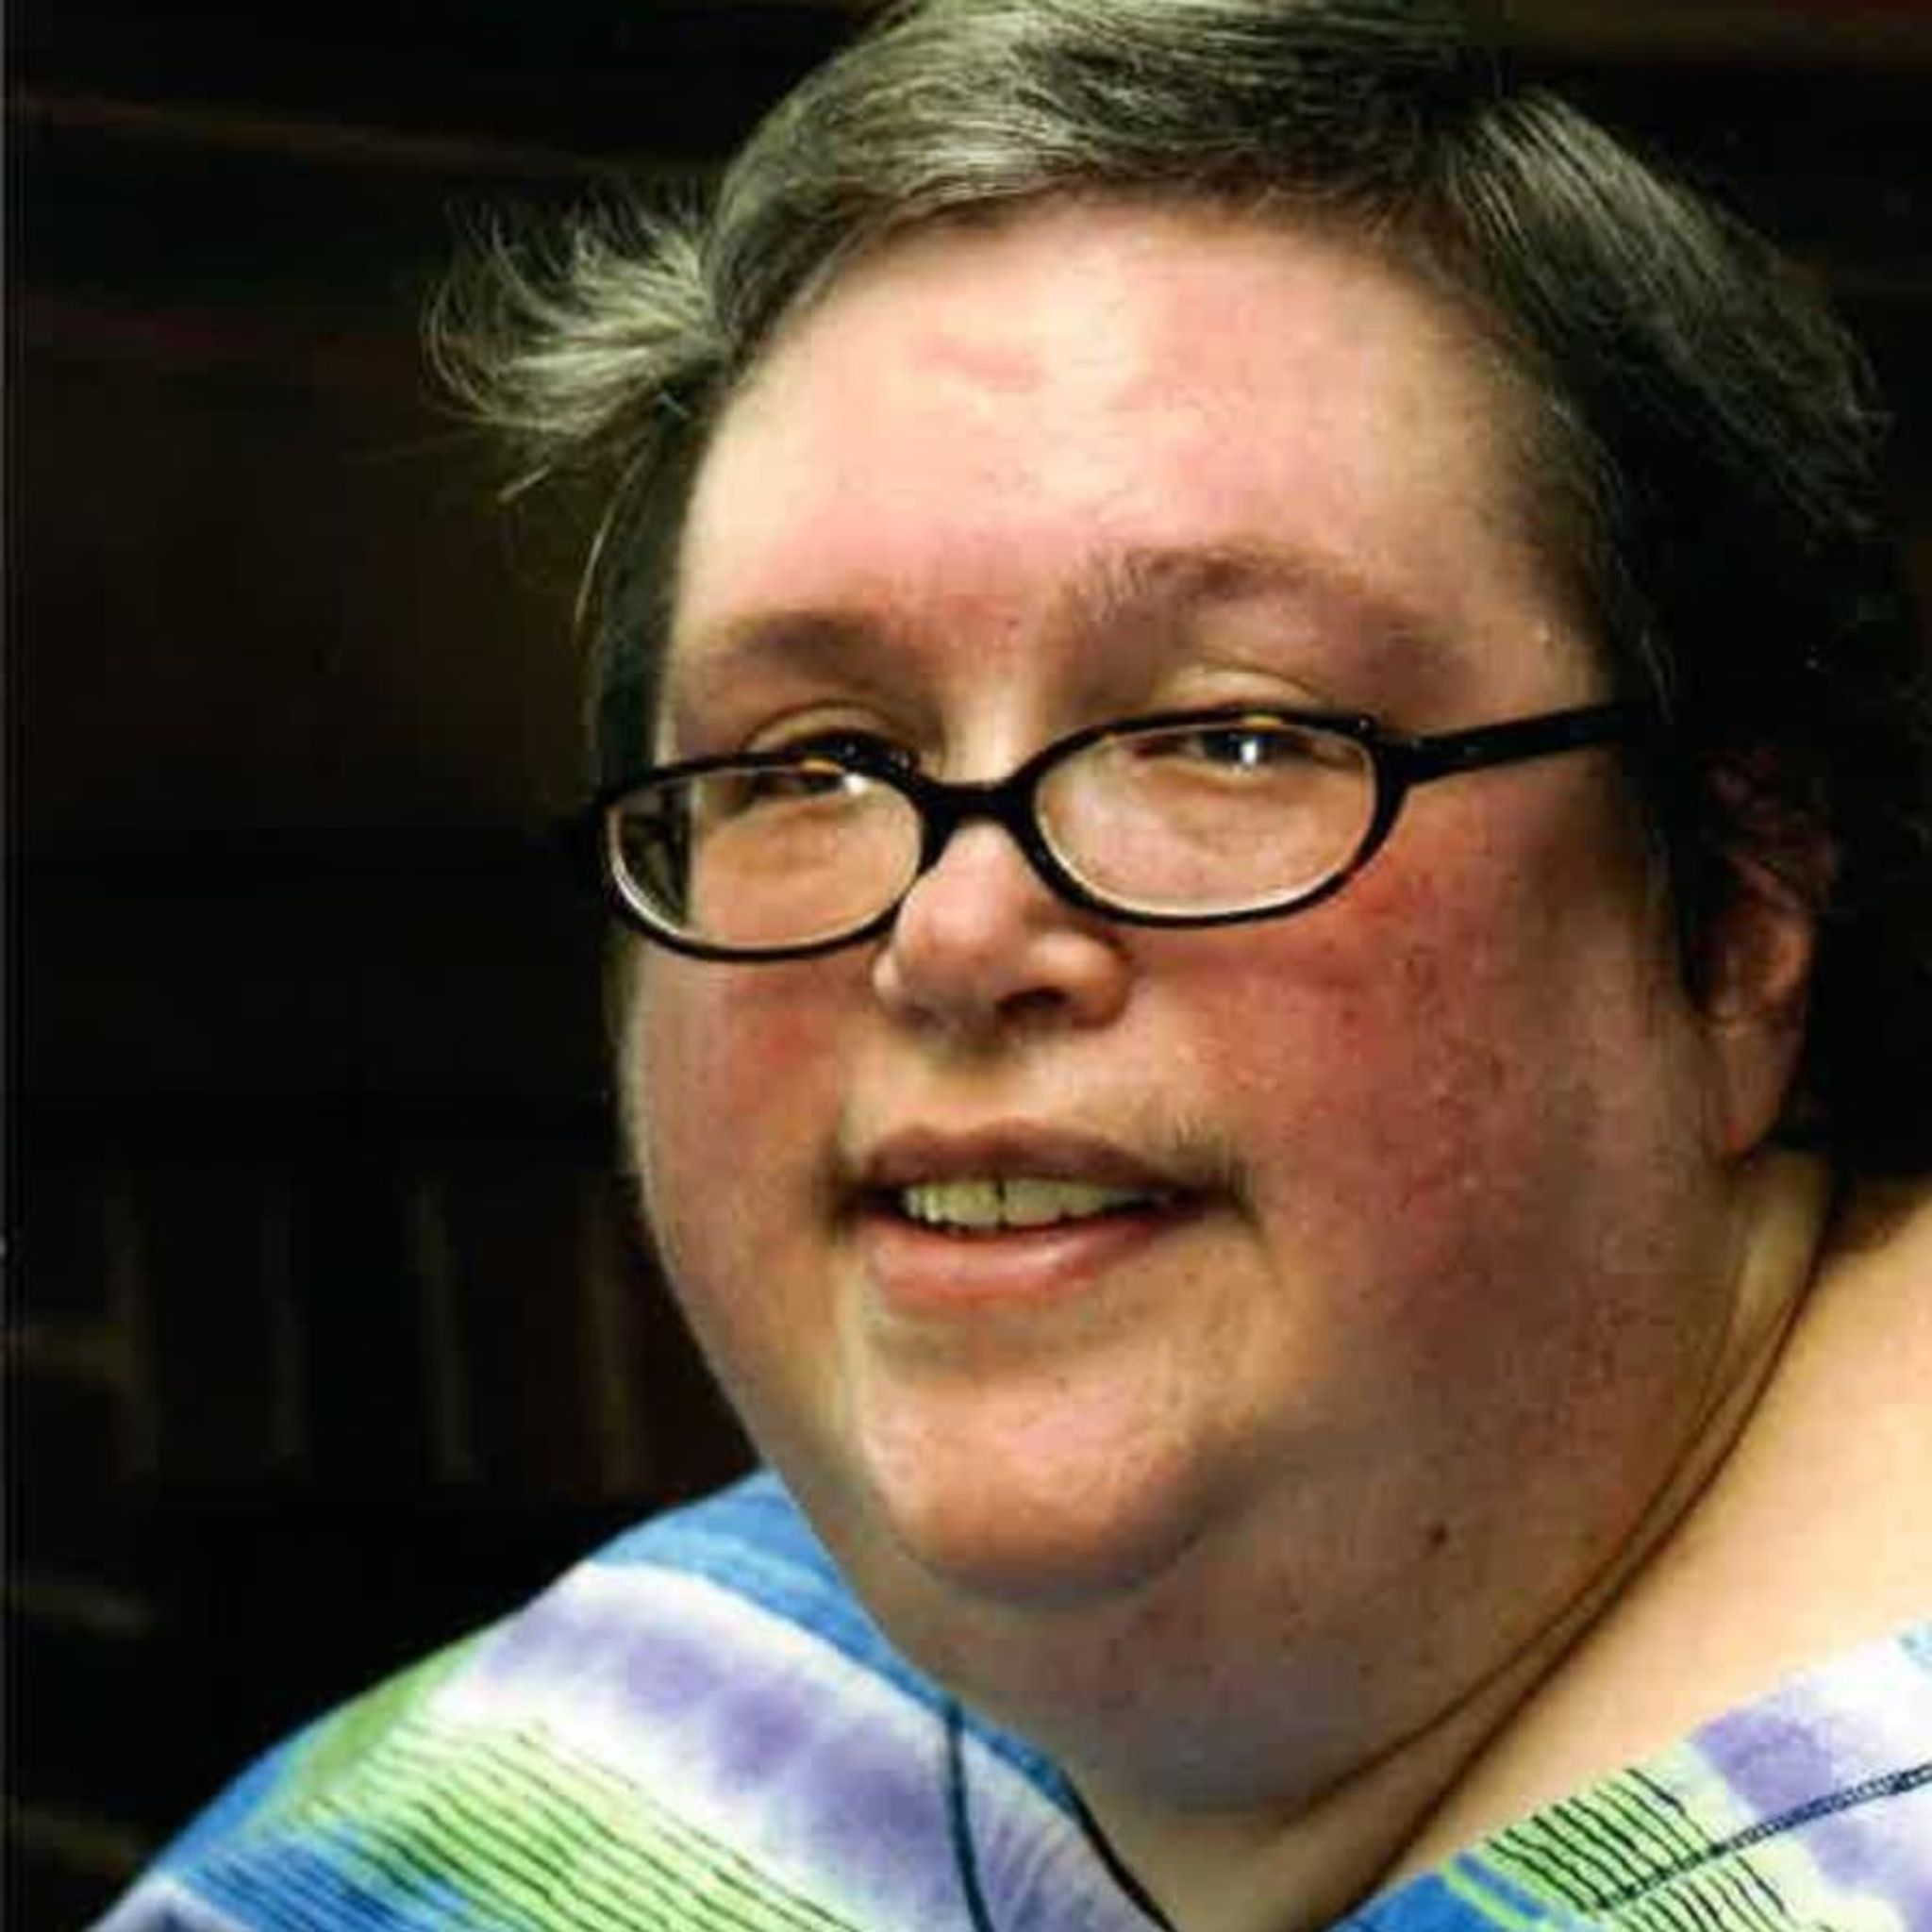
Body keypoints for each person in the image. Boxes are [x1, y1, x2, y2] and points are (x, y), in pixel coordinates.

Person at [100, 2, 1932, 1927]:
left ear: (1737, 916)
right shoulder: (494, 1810)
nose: (953, 933)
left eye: (1232, 737)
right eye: (811, 763)